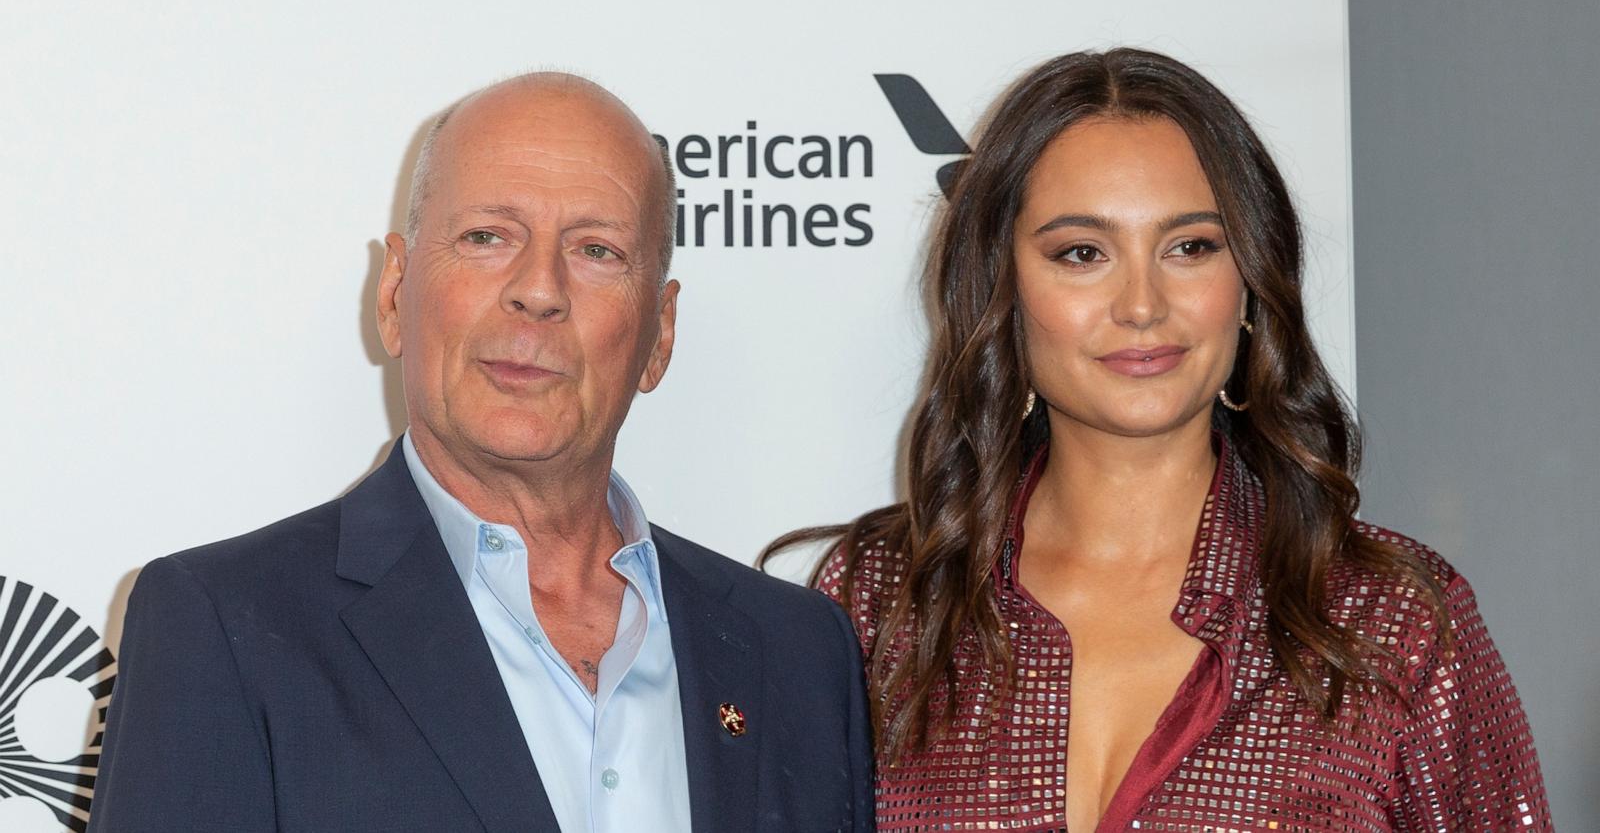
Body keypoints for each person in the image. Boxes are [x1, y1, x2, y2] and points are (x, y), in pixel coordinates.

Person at [766, 49, 1550, 831]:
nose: (1141, 304)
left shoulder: (1387, 620)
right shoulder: (885, 598)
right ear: (1003, 289)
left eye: (1190, 247)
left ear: (1249, 280)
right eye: (1082, 253)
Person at [88, 73, 873, 833]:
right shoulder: (223, 626)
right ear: (394, 294)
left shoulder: (799, 652)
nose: (539, 289)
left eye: (597, 250)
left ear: (659, 335)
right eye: (486, 237)